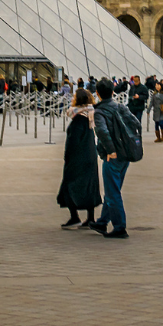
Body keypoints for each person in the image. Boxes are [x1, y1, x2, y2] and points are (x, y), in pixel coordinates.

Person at [88, 79, 141, 239]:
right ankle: (103, 221)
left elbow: (102, 132)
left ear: (97, 93)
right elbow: (136, 123)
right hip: (125, 154)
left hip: (113, 156)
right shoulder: (120, 107)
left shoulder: (99, 112)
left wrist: (111, 151)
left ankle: (119, 227)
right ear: (113, 92)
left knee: (112, 193)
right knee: (113, 189)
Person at [57, 88, 102, 228]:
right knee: (89, 185)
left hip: (78, 157)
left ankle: (74, 216)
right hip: (90, 155)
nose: (72, 99)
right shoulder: (89, 114)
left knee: (69, 185)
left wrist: (67, 156)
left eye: (74, 97)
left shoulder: (78, 118)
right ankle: (90, 218)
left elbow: (74, 140)